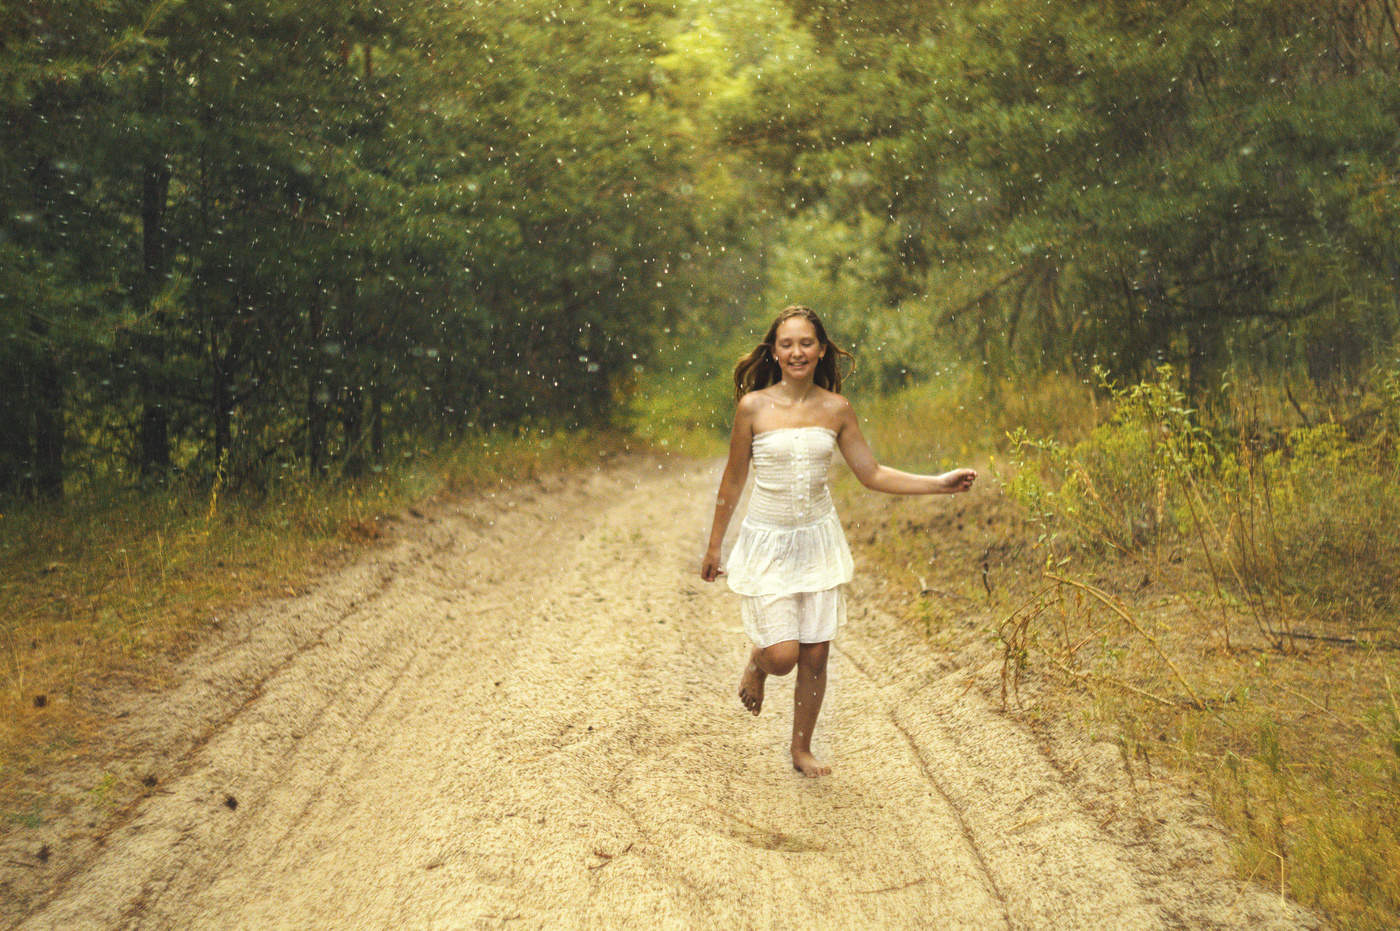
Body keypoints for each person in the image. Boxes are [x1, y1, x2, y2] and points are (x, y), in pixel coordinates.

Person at [699, 305, 977, 777]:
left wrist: (939, 483)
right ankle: (758, 662)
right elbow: (732, 479)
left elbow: (871, 473)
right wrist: (714, 546)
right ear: (774, 351)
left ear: (821, 349)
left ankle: (801, 748)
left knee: (816, 652)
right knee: (783, 654)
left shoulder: (836, 409)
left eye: (806, 343)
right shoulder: (753, 408)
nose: (796, 352)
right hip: (769, 541)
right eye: (786, 344)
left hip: (816, 539)